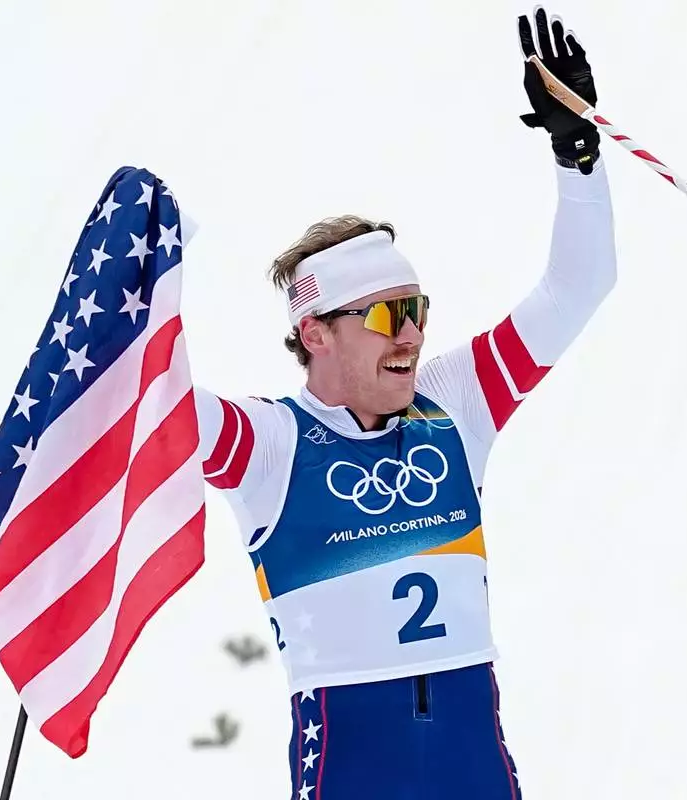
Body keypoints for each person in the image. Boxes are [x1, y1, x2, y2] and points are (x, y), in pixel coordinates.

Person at [195, 8, 616, 798]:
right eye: (388, 315)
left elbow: (579, 287)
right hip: (355, 768)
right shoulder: (269, 443)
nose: (413, 336)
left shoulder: (455, 405)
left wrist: (578, 151)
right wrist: (129, 301)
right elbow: (160, 407)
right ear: (315, 333)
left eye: (418, 308)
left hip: (471, 762)